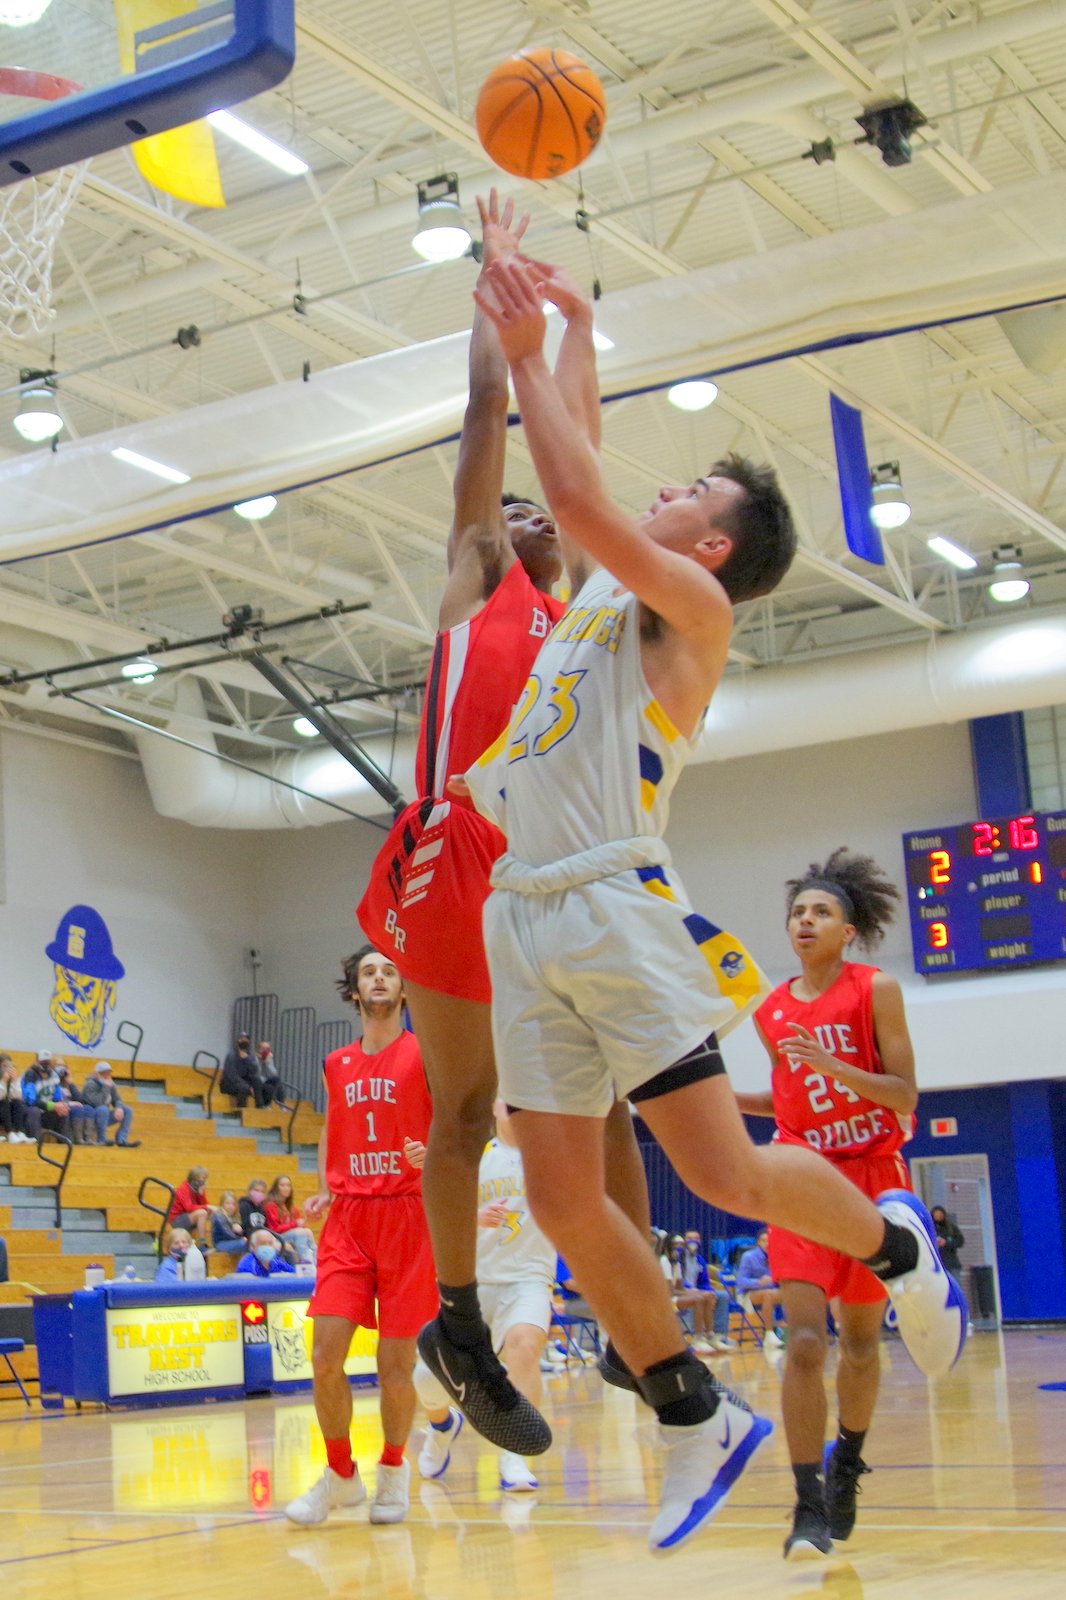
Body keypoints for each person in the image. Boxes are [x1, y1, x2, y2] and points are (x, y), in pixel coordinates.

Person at [462, 251, 966, 1554]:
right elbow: (583, 457)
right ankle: (691, 1409)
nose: (664, 491)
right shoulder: (605, 586)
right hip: (520, 908)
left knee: (720, 1171)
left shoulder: (687, 607)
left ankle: (895, 1245)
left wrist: (522, 355)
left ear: (714, 545)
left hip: (611, 902)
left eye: (690, 493)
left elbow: (575, 487)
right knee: (562, 1200)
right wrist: (574, 324)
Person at [736, 849, 922, 1559]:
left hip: (872, 1175)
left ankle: (850, 1460)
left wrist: (834, 1064)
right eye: (797, 913)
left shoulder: (876, 989)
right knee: (807, 1342)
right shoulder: (771, 1010)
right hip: (803, 1176)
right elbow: (788, 1098)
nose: (805, 921)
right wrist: (719, 1100)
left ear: (849, 931)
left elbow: (903, 1094)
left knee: (863, 1344)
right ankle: (807, 1499)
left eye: (821, 912)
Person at [284, 946, 434, 1530]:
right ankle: (341, 1475)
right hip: (349, 1218)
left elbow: (458, 1121)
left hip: (408, 1216)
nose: (379, 978)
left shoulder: (424, 1052)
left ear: (404, 989)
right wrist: (325, 1184)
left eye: (389, 971)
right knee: (325, 1358)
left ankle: (393, 1468)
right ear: (354, 990)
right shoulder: (337, 1062)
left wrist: (432, 1152)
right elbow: (332, 1125)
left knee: (395, 1366)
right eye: (369, 971)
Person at [416, 1100, 556, 1493]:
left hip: (528, 1277)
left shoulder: (549, 1155)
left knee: (524, 1345)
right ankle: (442, 1426)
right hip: (474, 1283)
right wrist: (472, 1215)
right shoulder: (473, 1157)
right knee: (426, 1381)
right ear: (492, 1106)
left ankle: (515, 1456)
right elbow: (439, 1211)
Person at [670, 1232, 734, 1354]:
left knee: (721, 1296)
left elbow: (704, 1282)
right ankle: (698, 1336)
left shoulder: (700, 1260)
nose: (693, 1241)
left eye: (696, 1238)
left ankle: (717, 1336)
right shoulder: (676, 1259)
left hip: (696, 1290)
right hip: (682, 1291)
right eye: (689, 1238)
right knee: (701, 1297)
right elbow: (676, 1283)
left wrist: (709, 1291)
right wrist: (691, 1289)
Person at [736, 1228, 786, 1348]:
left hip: (771, 1291)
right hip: (747, 1294)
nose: (767, 1244)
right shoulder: (748, 1256)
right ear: (758, 1242)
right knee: (768, 1294)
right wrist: (758, 1282)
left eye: (770, 1241)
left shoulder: (778, 1256)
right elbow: (741, 1281)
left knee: (792, 1293)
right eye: (764, 1241)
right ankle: (769, 1334)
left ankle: (791, 1329)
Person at [80, 1062, 138, 1147]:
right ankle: (102, 1139)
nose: (107, 1075)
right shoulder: (90, 1084)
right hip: (90, 1118)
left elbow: (117, 1099)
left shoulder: (110, 1084)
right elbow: (97, 1103)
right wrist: (106, 1087)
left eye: (108, 1073)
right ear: (97, 1074)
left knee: (127, 1110)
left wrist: (118, 1107)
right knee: (103, 1109)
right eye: (103, 1073)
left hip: (104, 1117)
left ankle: (121, 1139)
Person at [265, 1175, 316, 1264]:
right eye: (282, 1185)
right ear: (276, 1188)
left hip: (289, 1236)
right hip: (276, 1237)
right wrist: (295, 1224)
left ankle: (315, 1261)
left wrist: (302, 1223)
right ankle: (305, 1261)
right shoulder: (271, 1206)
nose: (286, 1188)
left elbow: (298, 1224)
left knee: (308, 1232)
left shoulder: (291, 1207)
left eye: (288, 1185)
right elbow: (275, 1229)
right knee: (301, 1232)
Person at [220, 1032, 266, 1109]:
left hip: (244, 1082)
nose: (244, 1041)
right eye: (242, 1039)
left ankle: (260, 1106)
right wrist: (248, 1086)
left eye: (246, 1039)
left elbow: (254, 1072)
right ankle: (241, 1110)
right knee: (244, 1088)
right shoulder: (231, 1055)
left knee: (257, 1081)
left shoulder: (250, 1056)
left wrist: (247, 1059)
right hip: (229, 1083)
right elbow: (231, 1075)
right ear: (238, 1041)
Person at [0, 1055, 39, 1143]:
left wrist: (15, 1081)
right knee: (4, 1102)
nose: (7, 1069)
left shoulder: (11, 1078)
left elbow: (18, 1096)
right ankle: (10, 1133)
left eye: (9, 1066)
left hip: (6, 1112)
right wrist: (3, 1082)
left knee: (17, 1102)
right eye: (4, 1066)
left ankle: (20, 1133)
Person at [168, 1166, 211, 1246]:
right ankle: (202, 1243)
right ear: (194, 1178)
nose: (205, 1181)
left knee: (210, 1212)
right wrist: (207, 1207)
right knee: (202, 1213)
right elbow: (189, 1208)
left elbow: (204, 1205)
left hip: (188, 1216)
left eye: (205, 1178)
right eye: (203, 1178)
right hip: (177, 1219)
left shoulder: (198, 1188)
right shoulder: (184, 1188)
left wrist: (201, 1195)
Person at [212, 1190, 247, 1258]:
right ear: (222, 1204)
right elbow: (228, 1234)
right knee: (244, 1243)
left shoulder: (234, 1217)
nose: (231, 1206)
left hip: (232, 1242)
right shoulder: (219, 1216)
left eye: (233, 1204)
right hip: (221, 1243)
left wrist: (241, 1232)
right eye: (228, 1203)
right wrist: (241, 1238)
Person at [931, 1206, 964, 1275]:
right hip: (935, 1265)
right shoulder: (930, 1228)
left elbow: (960, 1241)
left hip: (951, 1264)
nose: (938, 1217)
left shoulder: (951, 1228)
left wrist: (946, 1243)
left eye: (940, 1215)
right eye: (936, 1216)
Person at [256, 1041, 285, 1106]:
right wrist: (259, 1060)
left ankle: (282, 1105)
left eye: (267, 1049)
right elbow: (256, 1073)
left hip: (266, 1080)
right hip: (256, 1082)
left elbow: (274, 1074)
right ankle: (266, 1106)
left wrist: (268, 1062)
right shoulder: (254, 1058)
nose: (265, 1050)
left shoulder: (268, 1059)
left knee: (277, 1080)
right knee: (269, 1088)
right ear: (258, 1049)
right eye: (263, 1048)